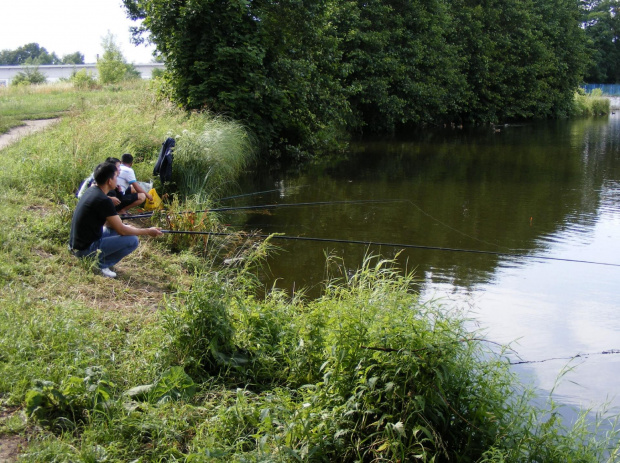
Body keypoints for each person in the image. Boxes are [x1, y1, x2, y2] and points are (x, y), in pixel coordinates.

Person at [69, 161, 163, 278]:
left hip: (76, 245)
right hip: (85, 249)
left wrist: (126, 227)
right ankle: (100, 264)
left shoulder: (92, 191)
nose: (117, 179)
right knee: (133, 240)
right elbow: (122, 231)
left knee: (118, 229)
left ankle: (98, 259)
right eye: (116, 177)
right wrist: (148, 231)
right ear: (109, 181)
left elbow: (110, 224)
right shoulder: (104, 200)